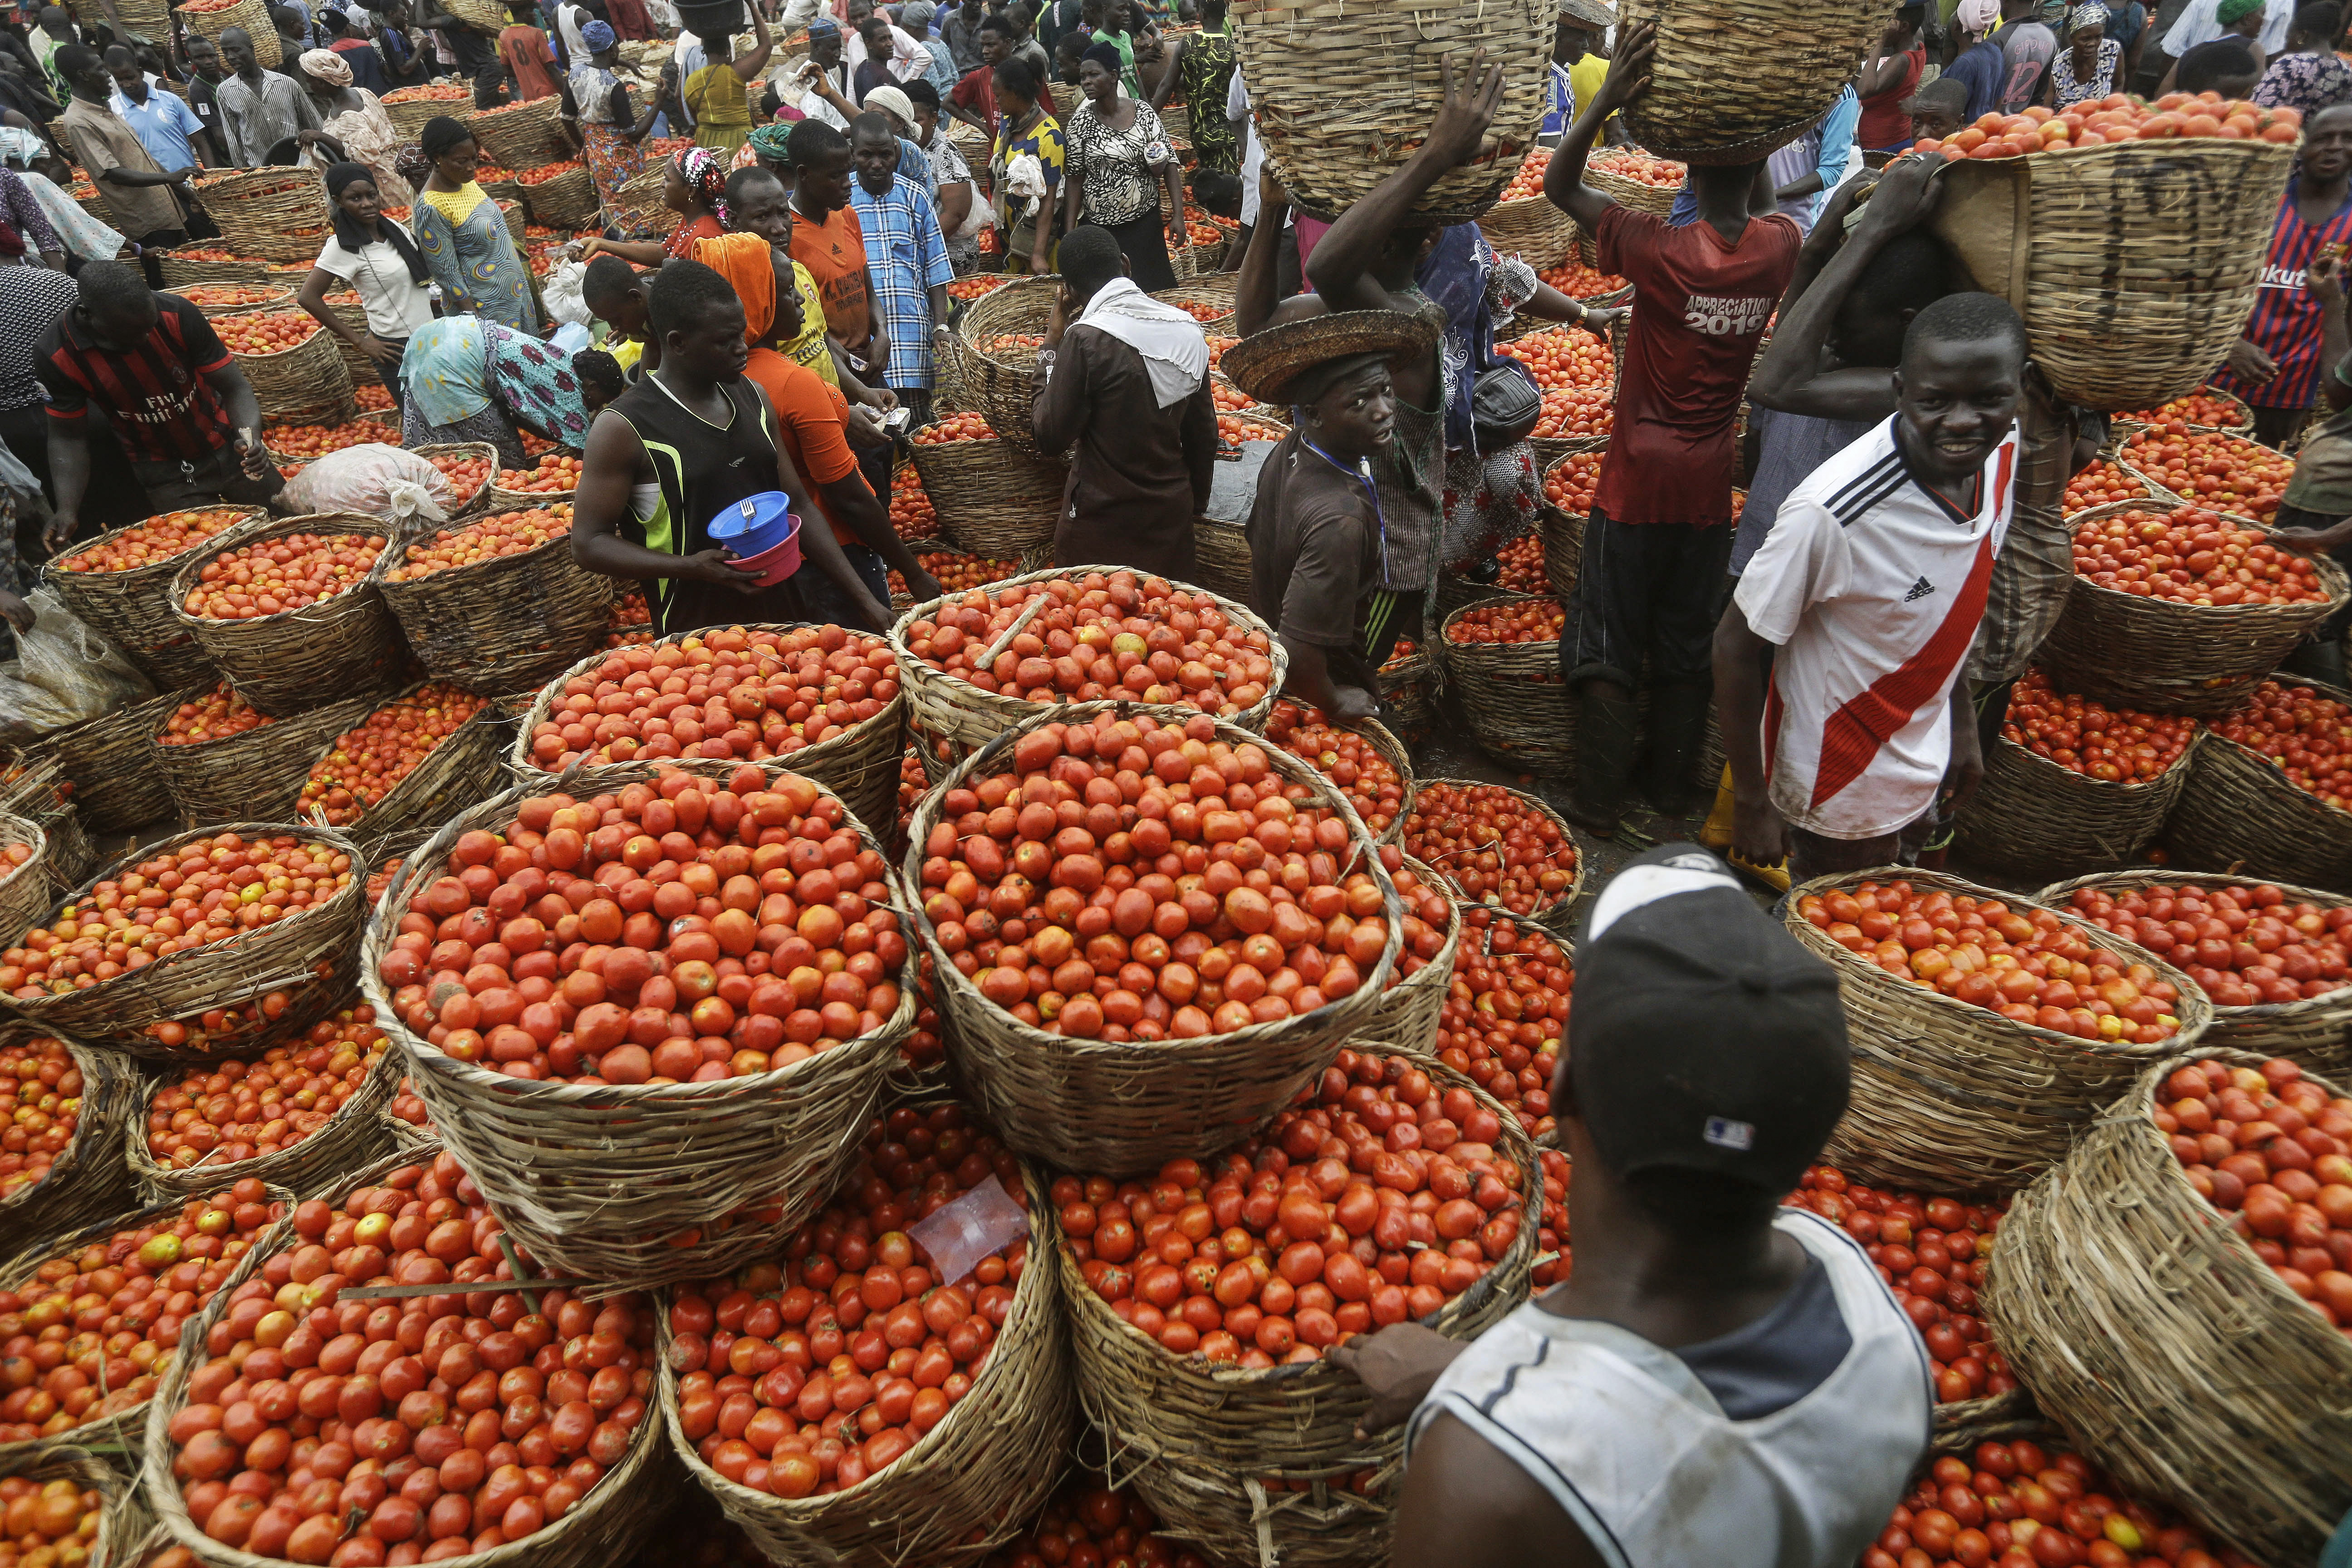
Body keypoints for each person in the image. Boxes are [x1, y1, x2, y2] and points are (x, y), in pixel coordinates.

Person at [1350, 842, 1930, 1568]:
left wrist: (1482, 1394)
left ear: (1559, 1092)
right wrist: (1472, 1374)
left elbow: (1607, 1456)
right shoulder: (1864, 1304)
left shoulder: (1487, 1476)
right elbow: (1685, 1429)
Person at [1546, 22, 1801, 833]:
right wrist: (1754, 140)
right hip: (1703, 475)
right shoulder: (1777, 247)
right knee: (1687, 639)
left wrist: (1605, 105)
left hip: (1633, 473)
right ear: (1763, 168)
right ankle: (1664, 793)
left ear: (1683, 166)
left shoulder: (1658, 248)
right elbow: (1755, 208)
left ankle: (1594, 803)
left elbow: (1559, 184)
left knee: (1609, 633)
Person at [1719, 292, 2027, 886]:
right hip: (1837, 788)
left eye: (1988, 399)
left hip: (1923, 757)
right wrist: (1753, 803)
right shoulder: (1833, 511)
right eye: (1936, 401)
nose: (1964, 422)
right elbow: (1734, 646)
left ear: (2020, 387)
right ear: (1900, 389)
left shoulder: (2003, 448)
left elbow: (1952, 598)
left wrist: (1960, 722)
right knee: (1838, 945)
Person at [573, 259, 892, 635]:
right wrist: (691, 566)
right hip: (698, 639)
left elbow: (799, 504)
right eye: (725, 341)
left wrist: (865, 600)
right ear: (677, 343)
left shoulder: (753, 398)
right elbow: (589, 543)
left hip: (788, 622)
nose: (742, 349)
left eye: (741, 334)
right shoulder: (624, 428)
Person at [700, 223, 942, 613]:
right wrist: (912, 571)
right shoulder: (792, 382)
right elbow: (848, 498)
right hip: (833, 556)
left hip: (768, 558)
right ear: (756, 298)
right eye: (784, 289)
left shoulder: (714, 379)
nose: (800, 299)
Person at [1228, 312, 1438, 717]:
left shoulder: (1292, 447)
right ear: (1316, 414)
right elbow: (1299, 648)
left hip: (1265, 646)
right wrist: (1334, 700)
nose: (1383, 411)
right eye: (1359, 402)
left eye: (1385, 391)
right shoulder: (1341, 521)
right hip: (1319, 678)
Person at [36, 260, 285, 549]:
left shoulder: (177, 314)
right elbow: (68, 436)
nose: (144, 339)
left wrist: (250, 439)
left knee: (287, 523)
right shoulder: (56, 355)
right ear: (87, 315)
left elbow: (234, 387)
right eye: (130, 333)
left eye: (148, 328)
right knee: (207, 552)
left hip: (229, 447)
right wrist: (68, 508)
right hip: (165, 471)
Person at [1031, 222, 1214, 577]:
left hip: (1100, 526)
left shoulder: (1085, 339)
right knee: (1169, 621)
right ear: (1126, 265)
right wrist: (1196, 503)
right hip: (1167, 521)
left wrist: (1052, 343)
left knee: (1094, 623)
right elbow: (1203, 434)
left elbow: (1048, 436)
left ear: (1068, 290)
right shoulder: (1187, 329)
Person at [2212, 102, 2352, 449]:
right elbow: (2201, 284)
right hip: (2214, 374)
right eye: (2323, 138)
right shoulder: (2257, 204)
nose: (2334, 146)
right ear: (2302, 145)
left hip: (2287, 390)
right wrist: (2228, 345)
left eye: (2347, 138)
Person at [0, 262, 142, 546]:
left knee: (67, 507)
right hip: (82, 403)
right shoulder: (48, 281)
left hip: (16, 424)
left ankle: (97, 562)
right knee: (121, 491)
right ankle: (145, 548)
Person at [845, 111, 948, 498]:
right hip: (864, 346)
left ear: (897, 152)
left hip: (910, 334)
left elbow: (935, 267)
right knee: (877, 439)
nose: (877, 164)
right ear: (853, 154)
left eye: (886, 154)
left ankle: (926, 512)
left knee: (920, 432)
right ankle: (891, 511)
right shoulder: (843, 199)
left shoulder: (914, 195)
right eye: (867, 155)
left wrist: (940, 326)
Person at [300, 161, 432, 413]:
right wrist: (361, 343)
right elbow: (308, 297)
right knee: (421, 418)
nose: (367, 204)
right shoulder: (342, 246)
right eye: (355, 198)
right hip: (395, 349)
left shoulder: (394, 230)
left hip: (430, 336)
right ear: (339, 201)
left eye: (371, 195)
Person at [54, 44, 193, 282]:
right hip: (146, 221)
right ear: (83, 75)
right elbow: (113, 173)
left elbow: (146, 161)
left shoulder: (105, 108)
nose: (108, 75)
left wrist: (187, 193)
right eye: (100, 69)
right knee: (167, 286)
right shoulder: (78, 120)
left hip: (168, 212)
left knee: (187, 280)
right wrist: (170, 178)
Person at [401, 114, 542, 332]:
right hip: (487, 310)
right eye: (462, 161)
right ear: (438, 158)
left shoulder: (466, 183)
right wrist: (475, 321)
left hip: (514, 295)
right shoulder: (431, 207)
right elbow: (446, 273)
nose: (471, 168)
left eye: (473, 159)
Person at [1061, 39, 1179, 289]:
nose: (1086, 82)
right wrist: (1070, 230)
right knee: (1109, 295)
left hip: (1144, 223)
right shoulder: (1079, 123)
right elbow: (1074, 178)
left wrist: (1179, 215)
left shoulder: (1145, 114)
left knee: (1152, 291)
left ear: (1113, 76)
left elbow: (1169, 164)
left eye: (1094, 75)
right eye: (1083, 77)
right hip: (1100, 232)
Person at [397, 313, 589, 460]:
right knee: (503, 453)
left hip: (429, 339)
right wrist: (580, 445)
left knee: (436, 444)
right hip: (449, 359)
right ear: (593, 386)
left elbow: (522, 417)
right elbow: (570, 432)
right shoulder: (568, 388)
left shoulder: (555, 359)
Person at [561, 20, 666, 222]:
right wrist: (659, 101)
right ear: (612, 49)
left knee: (611, 206)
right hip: (621, 159)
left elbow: (567, 119)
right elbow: (634, 135)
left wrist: (584, 147)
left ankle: (613, 245)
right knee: (631, 209)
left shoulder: (575, 74)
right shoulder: (613, 86)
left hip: (596, 152)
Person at [1146, 0, 1235, 209]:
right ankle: (1230, 228)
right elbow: (1239, 94)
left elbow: (1166, 86)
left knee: (1207, 185)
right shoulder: (1231, 49)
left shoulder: (1186, 44)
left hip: (1198, 132)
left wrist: (1147, 119)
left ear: (1201, 13)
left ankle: (1211, 217)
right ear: (1225, 15)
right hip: (1225, 134)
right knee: (1228, 190)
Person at [579, 144, 730, 264]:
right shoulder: (692, 220)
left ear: (690, 190)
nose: (661, 185)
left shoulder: (705, 237)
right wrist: (599, 243)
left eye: (667, 180)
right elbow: (663, 253)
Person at [297, 47, 409, 201]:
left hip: (381, 186)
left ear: (322, 82)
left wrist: (321, 137)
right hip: (395, 171)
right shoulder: (362, 93)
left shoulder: (348, 117)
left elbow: (366, 157)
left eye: (310, 82)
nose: (310, 87)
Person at [899, 80, 982, 271]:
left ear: (934, 117)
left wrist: (916, 248)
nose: (911, 127)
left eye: (917, 120)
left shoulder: (945, 154)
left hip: (947, 256)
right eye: (905, 121)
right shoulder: (908, 149)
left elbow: (956, 214)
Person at [104, 45, 220, 173]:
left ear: (141, 73)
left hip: (190, 182)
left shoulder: (170, 100)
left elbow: (200, 142)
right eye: (119, 80)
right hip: (153, 188)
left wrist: (212, 175)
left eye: (130, 78)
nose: (126, 84)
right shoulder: (113, 109)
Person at [682, 5, 769, 152]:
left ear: (705, 52)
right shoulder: (734, 73)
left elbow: (691, 111)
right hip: (738, 143)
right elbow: (766, 46)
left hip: (706, 145)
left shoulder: (692, 81)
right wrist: (752, 5)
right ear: (727, 52)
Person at [1541, 0, 1627, 143]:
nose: (1586, 46)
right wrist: (1601, 153)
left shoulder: (1563, 71)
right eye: (1580, 40)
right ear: (1560, 39)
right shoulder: (1552, 82)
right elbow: (1549, 147)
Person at [2255, 0, 2352, 113]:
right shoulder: (2346, 72)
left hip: (2283, 129)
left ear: (2302, 35)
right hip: (2318, 130)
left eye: (2287, 38)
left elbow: (2259, 109)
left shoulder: (2289, 65)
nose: (2286, 44)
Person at [1858, 5, 1929, 159]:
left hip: (1884, 145)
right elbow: (1916, 22)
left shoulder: (1901, 61)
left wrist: (1881, 39)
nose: (1881, 25)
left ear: (1904, 27)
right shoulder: (1919, 43)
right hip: (1896, 136)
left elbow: (1863, 90)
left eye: (1887, 21)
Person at [2043, 0, 2126, 100]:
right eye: (2085, 39)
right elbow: (2046, 110)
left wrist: (2112, 107)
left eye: (2098, 37)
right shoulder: (2057, 68)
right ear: (2072, 38)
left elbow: (2118, 83)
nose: (2092, 44)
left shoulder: (2112, 52)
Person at [1945, 0, 2009, 119]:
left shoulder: (1964, 63)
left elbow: (1946, 113)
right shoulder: (1994, 52)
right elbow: (1998, 103)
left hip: (1964, 134)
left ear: (1957, 25)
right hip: (1982, 130)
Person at [1990, 0, 2060, 110]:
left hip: (1994, 122)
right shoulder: (2050, 38)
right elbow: (2039, 95)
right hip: (2026, 121)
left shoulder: (1998, 39)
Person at [317, 9, 393, 94]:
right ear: (348, 29)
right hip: (381, 95)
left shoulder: (330, 54)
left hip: (356, 101)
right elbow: (386, 70)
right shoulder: (367, 45)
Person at [899, 2, 960, 98]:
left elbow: (931, 84)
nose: (904, 32)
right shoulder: (939, 42)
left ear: (914, 28)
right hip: (951, 98)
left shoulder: (923, 50)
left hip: (938, 104)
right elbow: (954, 75)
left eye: (905, 28)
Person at [495, 6, 557, 99]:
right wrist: (564, 91)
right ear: (522, 13)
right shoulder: (537, 33)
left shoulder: (503, 35)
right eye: (531, 11)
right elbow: (551, 68)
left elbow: (506, 70)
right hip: (548, 92)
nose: (535, 14)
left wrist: (524, 74)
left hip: (527, 95)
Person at [2173, 32, 2265, 91]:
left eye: (2247, 96)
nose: (2232, 105)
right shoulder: (2254, 48)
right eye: (2228, 95)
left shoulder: (2189, 54)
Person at [942, 0, 987, 75]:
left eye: (980, 1)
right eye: (972, 1)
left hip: (981, 73)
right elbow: (942, 47)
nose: (977, 5)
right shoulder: (950, 19)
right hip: (957, 73)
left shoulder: (988, 22)